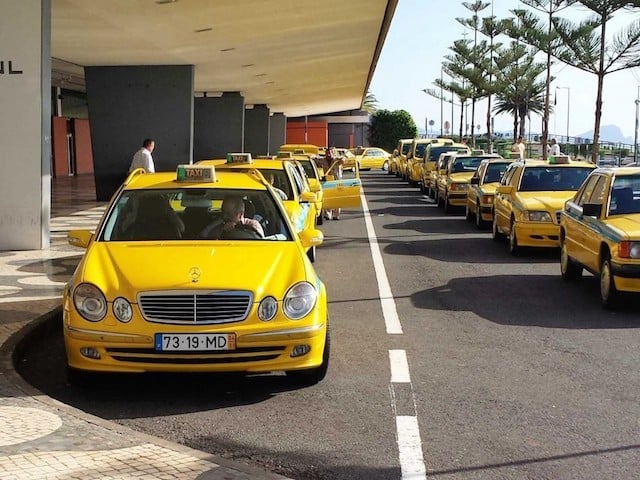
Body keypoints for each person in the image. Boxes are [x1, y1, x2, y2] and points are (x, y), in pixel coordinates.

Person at [323, 146, 344, 220]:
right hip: (328, 182)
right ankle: (328, 214)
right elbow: (315, 159)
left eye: (330, 153)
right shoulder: (323, 160)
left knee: (337, 199)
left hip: (337, 181)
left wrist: (339, 158)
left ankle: (336, 215)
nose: (328, 154)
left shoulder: (337, 160)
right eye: (327, 153)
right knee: (327, 198)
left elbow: (344, 160)